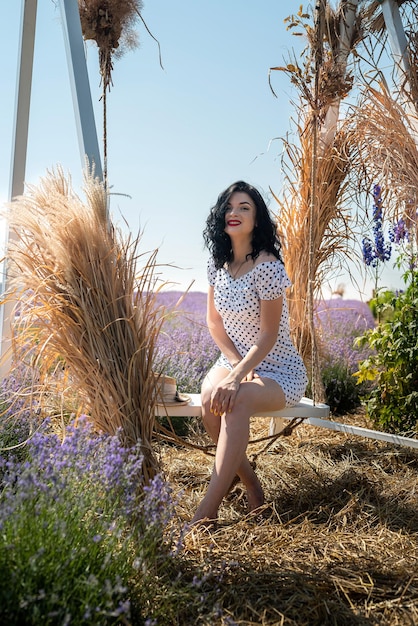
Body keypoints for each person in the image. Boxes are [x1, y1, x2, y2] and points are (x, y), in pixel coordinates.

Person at [191, 181, 307, 526]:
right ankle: (252, 485)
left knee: (235, 401)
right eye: (229, 207)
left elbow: (269, 335)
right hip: (235, 362)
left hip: (278, 369)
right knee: (210, 398)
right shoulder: (217, 265)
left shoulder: (269, 266)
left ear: (257, 220)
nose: (234, 213)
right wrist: (233, 368)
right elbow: (214, 323)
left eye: (244, 207)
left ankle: (205, 513)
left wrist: (240, 375)